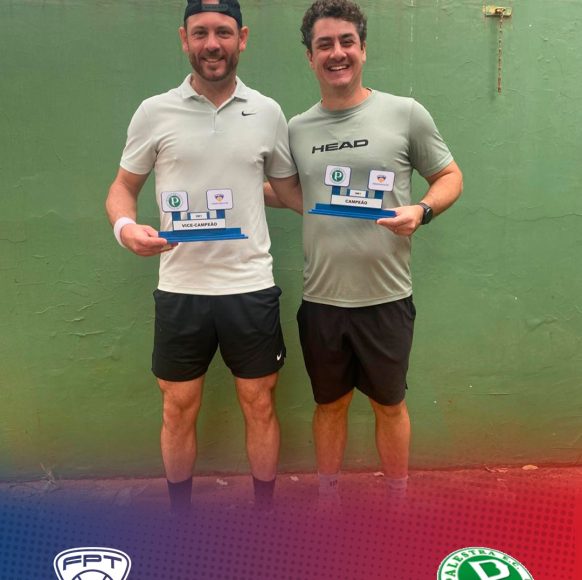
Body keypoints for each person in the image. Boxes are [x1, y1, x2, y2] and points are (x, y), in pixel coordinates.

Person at [105, 0, 300, 514]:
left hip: (249, 286)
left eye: (223, 32)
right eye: (200, 33)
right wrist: (126, 229)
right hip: (181, 290)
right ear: (184, 39)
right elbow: (122, 188)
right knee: (177, 407)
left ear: (242, 38)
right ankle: (180, 519)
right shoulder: (154, 112)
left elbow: (288, 192)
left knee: (260, 404)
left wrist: (357, 208)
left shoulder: (267, 112)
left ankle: (264, 516)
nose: (212, 44)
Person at [274, 0, 463, 507]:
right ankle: (328, 501)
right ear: (309, 56)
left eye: (346, 42)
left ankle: (398, 502)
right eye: (324, 44)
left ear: (363, 49)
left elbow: (449, 176)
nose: (336, 53)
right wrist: (224, 191)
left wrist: (421, 210)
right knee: (329, 405)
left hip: (387, 299)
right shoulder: (296, 128)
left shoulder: (405, 114)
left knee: (390, 405)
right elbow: (287, 191)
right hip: (322, 301)